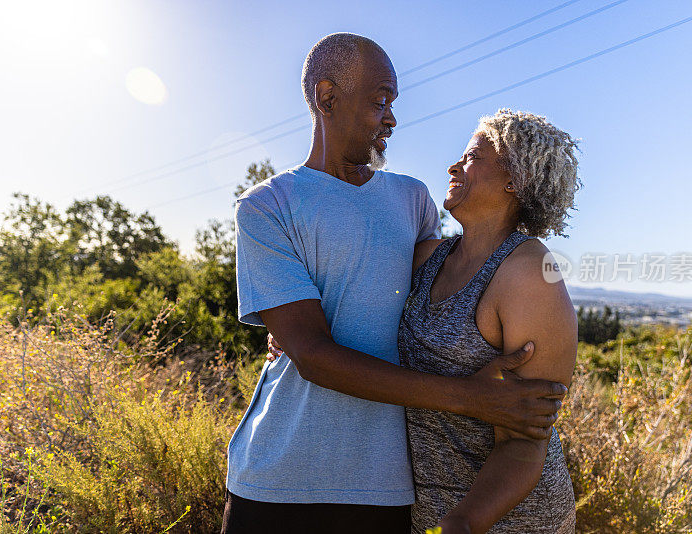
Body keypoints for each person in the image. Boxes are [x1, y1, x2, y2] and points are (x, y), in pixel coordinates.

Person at [221, 33, 567, 534]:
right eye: (380, 101)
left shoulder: (412, 200)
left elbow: (446, 289)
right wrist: (470, 396)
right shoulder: (265, 206)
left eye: (393, 104)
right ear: (328, 97)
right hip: (277, 476)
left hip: (384, 486)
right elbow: (313, 354)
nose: (392, 118)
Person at [400, 109, 580, 534]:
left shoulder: (528, 273)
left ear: (513, 180)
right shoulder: (428, 258)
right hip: (430, 514)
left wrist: (462, 522)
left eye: (473, 157)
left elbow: (524, 440)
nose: (453, 166)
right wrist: (286, 332)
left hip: (508, 522)